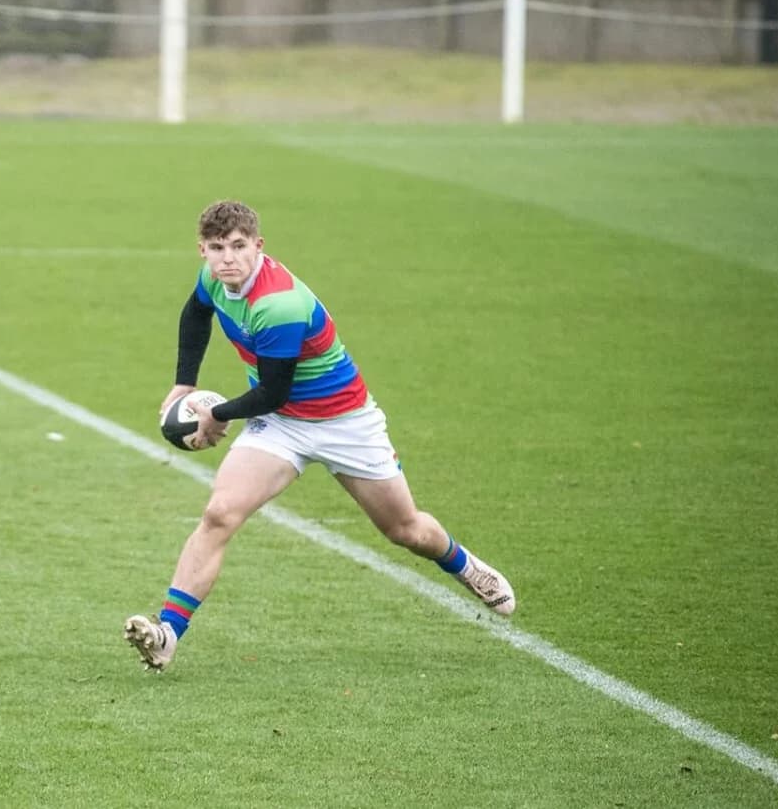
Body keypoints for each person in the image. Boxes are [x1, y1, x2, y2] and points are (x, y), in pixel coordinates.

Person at [124, 200, 516, 672]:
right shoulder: (213, 278)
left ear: (258, 246)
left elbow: (273, 390)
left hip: (344, 423)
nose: (227, 258)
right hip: (283, 426)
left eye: (238, 246)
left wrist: (217, 415)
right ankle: (168, 633)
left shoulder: (278, 303)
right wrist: (185, 383)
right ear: (202, 250)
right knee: (219, 513)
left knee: (404, 530)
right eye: (216, 248)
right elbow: (195, 315)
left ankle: (462, 563)